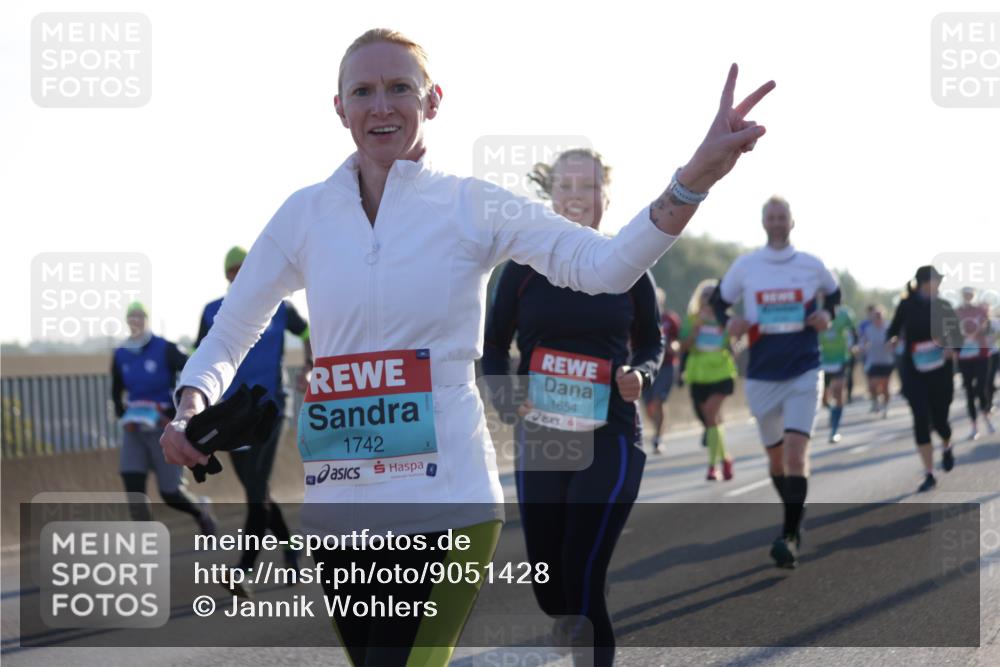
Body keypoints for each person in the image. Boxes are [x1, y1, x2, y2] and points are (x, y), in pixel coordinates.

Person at [160, 28, 774, 667]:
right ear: (338, 107)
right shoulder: (304, 215)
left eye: (400, 88)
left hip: (444, 499)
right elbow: (232, 329)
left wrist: (692, 180)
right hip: (338, 502)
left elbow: (606, 267)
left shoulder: (468, 206)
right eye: (362, 91)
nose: (381, 106)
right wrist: (190, 403)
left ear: (432, 101)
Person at [482, 148, 663, 665]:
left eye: (588, 187)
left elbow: (652, 342)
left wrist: (640, 374)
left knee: (582, 577)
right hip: (541, 436)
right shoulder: (521, 268)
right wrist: (504, 395)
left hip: (610, 433)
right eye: (566, 187)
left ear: (605, 196)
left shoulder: (630, 262)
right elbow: (493, 347)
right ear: (551, 195)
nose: (576, 197)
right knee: (551, 587)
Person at [711, 195, 840, 569]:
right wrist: (729, 321)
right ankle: (795, 512)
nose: (777, 222)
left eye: (783, 216)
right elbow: (719, 301)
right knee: (777, 459)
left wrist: (826, 315)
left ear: (792, 222)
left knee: (797, 453)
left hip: (804, 367)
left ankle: (789, 535)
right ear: (763, 222)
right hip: (762, 372)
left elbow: (834, 295)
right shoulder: (747, 266)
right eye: (771, 217)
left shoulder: (811, 265)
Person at [195, 246, 313, 595]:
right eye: (233, 269)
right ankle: (291, 548)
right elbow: (201, 354)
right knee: (254, 490)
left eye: (244, 267)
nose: (239, 273)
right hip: (231, 413)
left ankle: (244, 570)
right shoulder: (213, 312)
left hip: (271, 408)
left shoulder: (278, 306)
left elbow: (307, 332)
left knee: (257, 488)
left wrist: (310, 365)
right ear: (227, 275)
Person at [112, 302, 216, 533]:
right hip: (135, 430)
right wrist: (123, 417)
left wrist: (171, 415)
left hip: (164, 427)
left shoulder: (165, 348)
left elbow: (193, 369)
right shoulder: (120, 354)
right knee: (132, 484)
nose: (135, 321)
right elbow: (116, 390)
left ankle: (201, 512)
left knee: (170, 493)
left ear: (147, 320)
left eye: (140, 316)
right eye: (131, 317)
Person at [886, 266, 964, 492]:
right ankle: (929, 473)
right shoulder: (907, 305)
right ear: (923, 282)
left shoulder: (944, 306)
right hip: (915, 370)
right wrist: (892, 339)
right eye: (935, 279)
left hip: (941, 370)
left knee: (940, 420)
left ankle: (947, 445)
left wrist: (952, 348)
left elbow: (957, 336)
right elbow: (893, 328)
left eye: (939, 280)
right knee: (920, 418)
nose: (938, 283)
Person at [678, 279, 738, 480]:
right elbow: (683, 346)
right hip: (698, 372)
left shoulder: (725, 319)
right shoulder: (692, 319)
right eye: (705, 294)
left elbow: (734, 343)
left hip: (721, 371)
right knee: (711, 421)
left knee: (712, 413)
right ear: (699, 298)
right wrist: (694, 333)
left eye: (713, 294)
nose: (709, 298)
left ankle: (712, 466)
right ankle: (726, 459)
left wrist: (732, 336)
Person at [642, 287, 681, 454]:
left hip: (666, 365)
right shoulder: (642, 318)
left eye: (657, 299)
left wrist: (674, 346)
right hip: (645, 366)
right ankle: (658, 427)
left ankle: (658, 437)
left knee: (658, 401)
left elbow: (680, 341)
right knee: (648, 405)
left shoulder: (670, 319)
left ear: (662, 301)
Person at [954, 286, 995, 439]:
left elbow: (990, 330)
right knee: (969, 391)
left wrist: (982, 328)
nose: (968, 297)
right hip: (964, 356)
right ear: (962, 295)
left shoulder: (981, 311)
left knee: (981, 388)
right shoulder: (956, 312)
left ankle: (987, 418)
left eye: (970, 294)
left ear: (974, 295)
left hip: (981, 354)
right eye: (965, 294)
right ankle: (974, 426)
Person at [819, 305, 856, 443]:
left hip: (840, 359)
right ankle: (832, 412)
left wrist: (854, 346)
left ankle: (834, 430)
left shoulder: (845, 314)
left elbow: (853, 332)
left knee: (839, 393)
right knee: (823, 399)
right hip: (821, 360)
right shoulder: (813, 310)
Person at [859, 306, 893, 418]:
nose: (877, 318)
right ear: (872, 317)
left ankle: (885, 407)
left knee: (885, 387)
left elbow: (896, 340)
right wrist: (860, 348)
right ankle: (875, 402)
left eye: (879, 315)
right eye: (875, 316)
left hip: (886, 361)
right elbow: (863, 342)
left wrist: (892, 344)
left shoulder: (889, 328)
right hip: (873, 361)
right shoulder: (868, 329)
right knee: (872, 385)